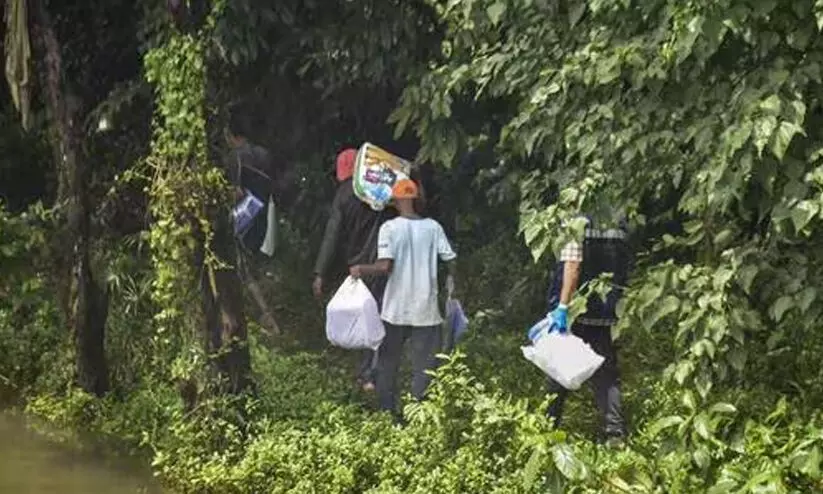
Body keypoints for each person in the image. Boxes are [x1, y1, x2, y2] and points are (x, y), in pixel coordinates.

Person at [349, 179, 457, 422]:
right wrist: (452, 288)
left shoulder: (389, 228)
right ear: (415, 199)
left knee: (388, 363)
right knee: (425, 367)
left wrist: (360, 269)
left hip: (395, 308)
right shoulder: (433, 227)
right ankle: (419, 415)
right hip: (425, 309)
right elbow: (450, 259)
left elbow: (385, 266)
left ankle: (389, 412)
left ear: (396, 200)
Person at [544, 214, 631, 447]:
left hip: (576, 310)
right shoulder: (618, 218)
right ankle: (615, 433)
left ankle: (547, 428)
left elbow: (572, 266)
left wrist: (563, 306)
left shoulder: (576, 220)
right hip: (606, 309)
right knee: (607, 372)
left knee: (558, 369)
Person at [313, 148, 395, 392]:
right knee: (380, 313)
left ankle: (367, 374)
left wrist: (320, 272)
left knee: (365, 316)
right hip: (383, 260)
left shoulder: (344, 194)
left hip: (359, 265)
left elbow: (333, 234)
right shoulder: (378, 188)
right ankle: (373, 372)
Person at [224, 113, 280, 333]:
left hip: (242, 220)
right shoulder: (264, 154)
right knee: (252, 267)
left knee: (244, 271)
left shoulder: (234, 157)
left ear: (231, 134)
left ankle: (265, 317)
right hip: (263, 216)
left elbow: (237, 193)